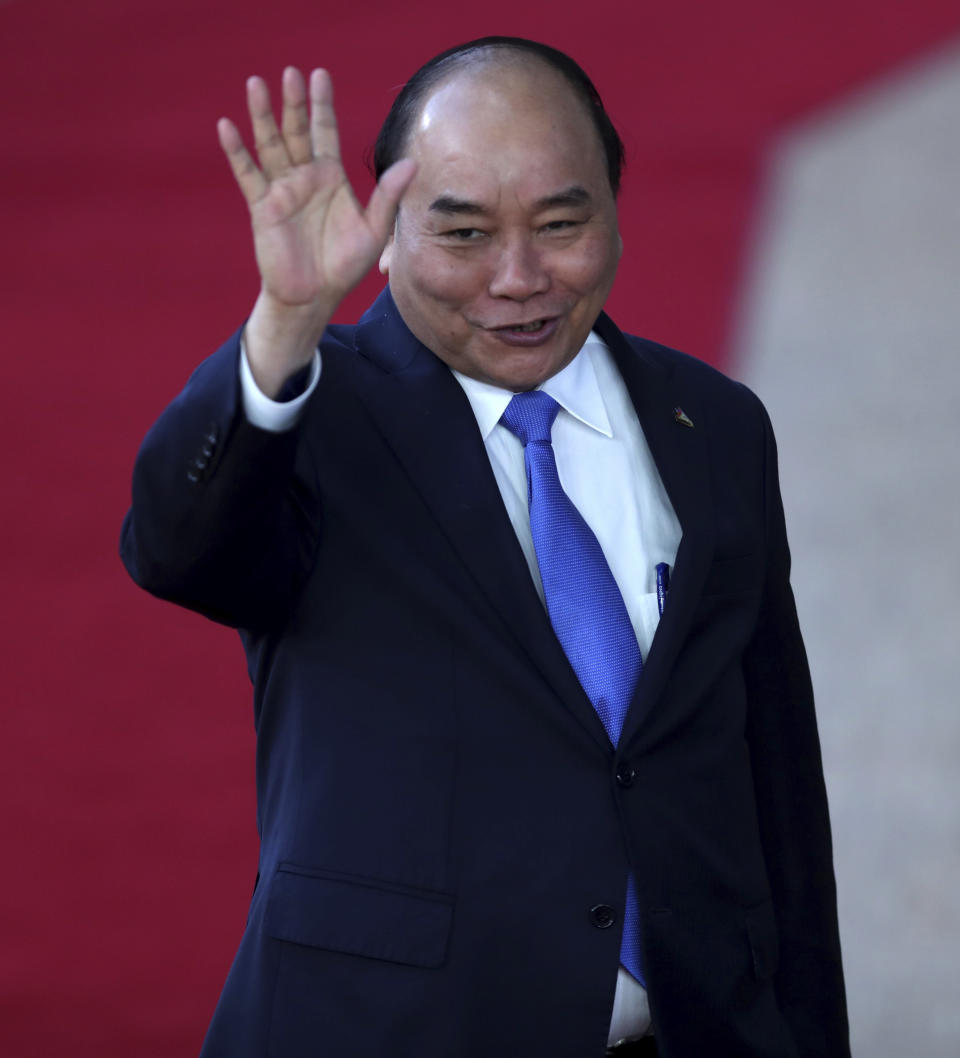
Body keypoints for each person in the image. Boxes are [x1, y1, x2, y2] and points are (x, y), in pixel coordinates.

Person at [120, 36, 849, 1058]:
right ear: (387, 232)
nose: (519, 278)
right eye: (463, 234)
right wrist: (286, 321)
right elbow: (175, 548)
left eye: (561, 222)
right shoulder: (314, 418)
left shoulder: (716, 423)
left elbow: (774, 773)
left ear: (614, 210)